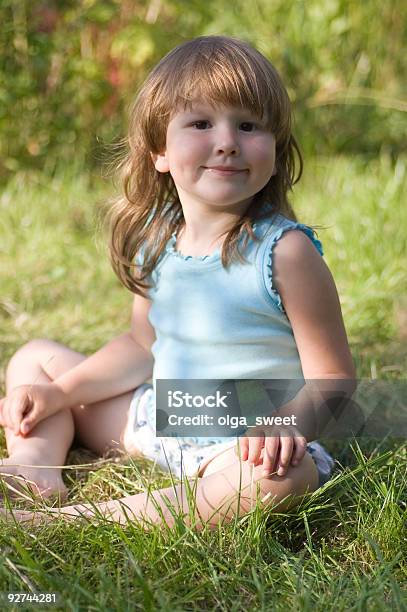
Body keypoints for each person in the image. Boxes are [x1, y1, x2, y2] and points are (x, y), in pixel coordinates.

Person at [0, 35, 355, 530]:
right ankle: (35, 469)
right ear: (159, 152)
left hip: (246, 449)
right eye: (201, 123)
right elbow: (141, 346)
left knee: (281, 480)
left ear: (276, 147)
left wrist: (286, 423)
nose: (227, 140)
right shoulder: (157, 241)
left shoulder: (285, 253)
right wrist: (60, 393)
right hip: (160, 423)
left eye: (248, 124)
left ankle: (66, 522)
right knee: (34, 359)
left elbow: (334, 379)